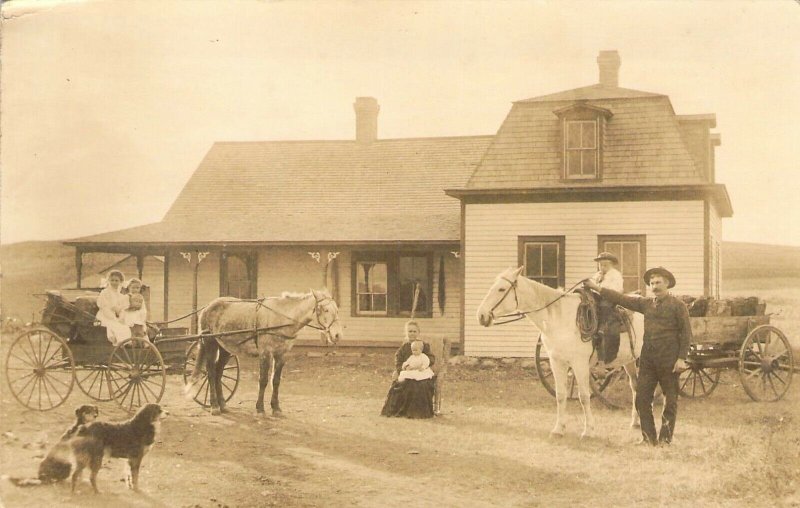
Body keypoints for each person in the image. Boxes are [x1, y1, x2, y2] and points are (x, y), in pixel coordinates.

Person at [584, 266, 691, 446]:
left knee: (670, 401)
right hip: (648, 359)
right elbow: (621, 298)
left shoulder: (678, 306)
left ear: (667, 284)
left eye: (658, 283)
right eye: (652, 283)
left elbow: (686, 333)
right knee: (642, 399)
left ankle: (665, 440)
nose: (655, 286)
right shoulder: (646, 304)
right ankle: (648, 438)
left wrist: (681, 358)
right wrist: (597, 288)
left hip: (669, 359)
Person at [380, 321, 436, 419]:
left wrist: (422, 366)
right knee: (404, 384)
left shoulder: (423, 346)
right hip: (408, 374)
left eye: (414, 331)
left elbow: (431, 359)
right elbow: (398, 362)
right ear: (406, 333)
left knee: (420, 385)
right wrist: (405, 368)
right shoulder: (403, 348)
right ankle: (403, 411)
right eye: (410, 331)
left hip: (421, 374)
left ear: (418, 333)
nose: (412, 333)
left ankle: (419, 413)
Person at [590, 252, 625, 370]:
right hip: (597, 299)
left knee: (605, 306)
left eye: (605, 265)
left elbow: (614, 290)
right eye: (601, 265)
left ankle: (601, 326)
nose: (603, 267)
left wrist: (599, 289)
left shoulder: (615, 275)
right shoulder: (597, 275)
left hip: (610, 299)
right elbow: (592, 285)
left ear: (612, 265)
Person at [95, 270, 132, 345]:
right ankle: (119, 343)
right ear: (108, 281)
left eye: (116, 280)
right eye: (112, 280)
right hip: (104, 315)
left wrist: (121, 317)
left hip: (116, 316)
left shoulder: (120, 295)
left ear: (120, 282)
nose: (114, 282)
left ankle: (126, 343)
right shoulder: (105, 292)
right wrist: (114, 318)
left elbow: (123, 309)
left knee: (125, 326)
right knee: (115, 325)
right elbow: (104, 307)